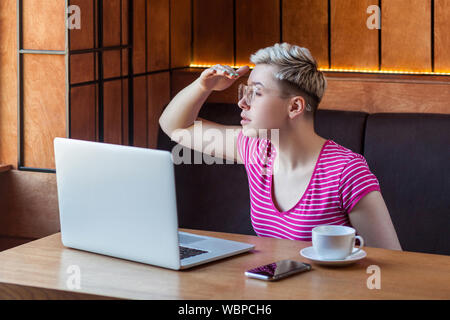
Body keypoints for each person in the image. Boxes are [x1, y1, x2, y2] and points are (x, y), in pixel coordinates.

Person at [159, 42, 402, 251]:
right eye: (244, 92)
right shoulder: (254, 150)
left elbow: (390, 264)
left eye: (256, 93)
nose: (242, 103)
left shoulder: (347, 172)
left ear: (295, 107)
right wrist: (204, 86)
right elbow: (175, 127)